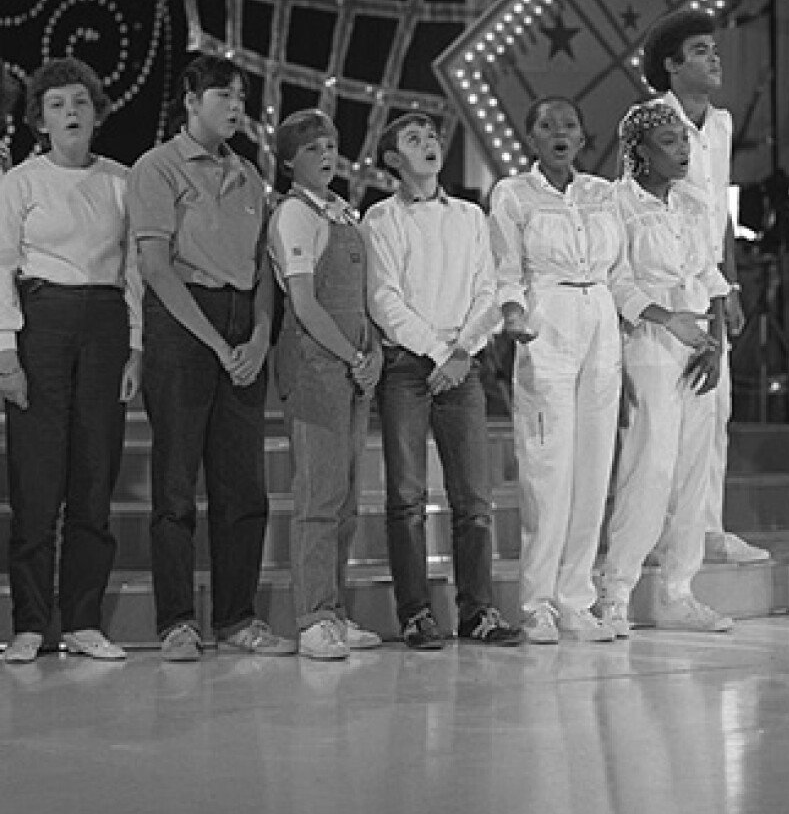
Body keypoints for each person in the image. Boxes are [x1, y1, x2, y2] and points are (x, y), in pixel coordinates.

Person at [129, 54, 293, 662]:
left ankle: (237, 617)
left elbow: (262, 272)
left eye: (242, 97)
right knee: (176, 484)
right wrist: (219, 344)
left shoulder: (250, 177)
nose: (235, 106)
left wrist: (256, 337)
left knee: (244, 486)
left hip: (240, 327)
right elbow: (154, 266)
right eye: (223, 95)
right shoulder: (158, 168)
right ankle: (176, 621)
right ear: (191, 100)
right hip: (182, 325)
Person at [0, 58, 141, 663]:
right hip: (42, 325)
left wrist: (137, 346)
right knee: (36, 478)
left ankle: (83, 620)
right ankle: (31, 623)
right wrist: (6, 353)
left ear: (97, 110)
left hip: (107, 327)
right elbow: (1, 268)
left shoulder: (123, 180)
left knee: (93, 473)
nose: (72, 113)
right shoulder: (20, 183)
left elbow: (134, 268)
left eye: (80, 101)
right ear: (40, 119)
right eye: (57, 104)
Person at [363, 112, 521, 650]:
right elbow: (384, 300)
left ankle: (478, 611)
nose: (429, 144)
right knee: (406, 496)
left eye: (432, 136)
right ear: (391, 159)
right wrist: (437, 353)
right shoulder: (380, 219)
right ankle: (415, 614)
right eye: (413, 139)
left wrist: (460, 354)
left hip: (462, 363)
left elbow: (489, 290)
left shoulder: (471, 216)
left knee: (473, 498)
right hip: (407, 367)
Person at [489, 98, 623, 643]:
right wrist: (514, 314)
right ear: (532, 138)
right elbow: (505, 268)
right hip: (547, 322)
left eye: (569, 124)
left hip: (601, 320)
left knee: (594, 466)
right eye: (546, 125)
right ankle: (537, 601)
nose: (559, 133)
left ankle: (576, 599)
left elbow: (624, 264)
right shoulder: (513, 194)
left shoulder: (602, 193)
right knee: (548, 466)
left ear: (583, 136)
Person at [598, 101, 734, 634]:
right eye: (670, 142)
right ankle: (617, 590)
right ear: (640, 152)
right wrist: (664, 319)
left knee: (694, 469)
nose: (682, 151)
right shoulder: (617, 205)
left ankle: (679, 590)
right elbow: (618, 280)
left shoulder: (695, 205)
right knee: (649, 467)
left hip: (697, 342)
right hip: (649, 340)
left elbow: (712, 276)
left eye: (684, 140)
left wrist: (715, 343)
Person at [642, 8, 769, 565]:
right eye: (699, 51)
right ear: (670, 66)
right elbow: (640, 204)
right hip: (663, 281)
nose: (714, 58)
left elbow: (718, 209)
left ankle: (705, 527)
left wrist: (731, 288)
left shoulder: (719, 123)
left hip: (708, 279)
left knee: (714, 408)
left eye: (714, 49)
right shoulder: (649, 121)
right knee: (663, 414)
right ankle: (654, 533)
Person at [268, 110, 384, 660]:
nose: (326, 154)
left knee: (345, 501)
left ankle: (335, 610)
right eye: (313, 148)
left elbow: (363, 301)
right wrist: (353, 355)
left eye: (332, 145)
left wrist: (373, 355)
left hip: (353, 369)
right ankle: (312, 617)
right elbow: (305, 304)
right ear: (290, 159)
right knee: (317, 498)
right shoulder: (294, 215)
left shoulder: (343, 214)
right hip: (315, 368)